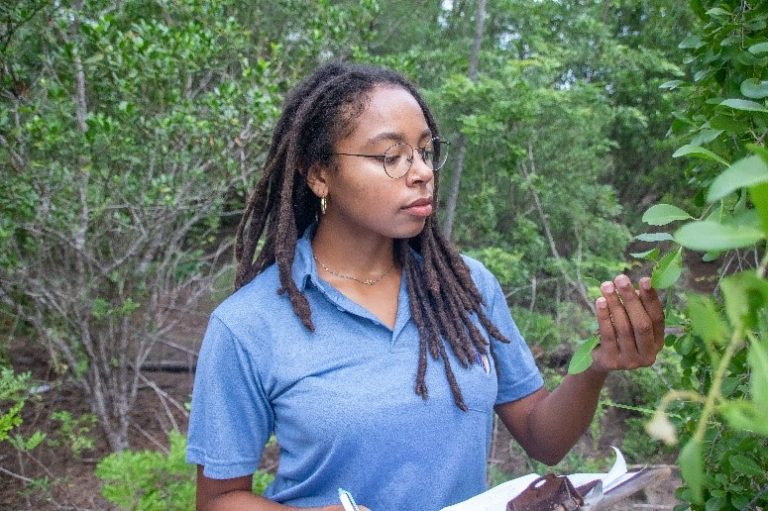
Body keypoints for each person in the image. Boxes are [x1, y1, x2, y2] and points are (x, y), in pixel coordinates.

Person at [186, 61, 665, 511]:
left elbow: (545, 439)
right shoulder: (248, 324)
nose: (421, 173)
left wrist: (597, 364)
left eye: (426, 152)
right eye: (392, 156)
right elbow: (218, 499)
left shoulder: (466, 288)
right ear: (318, 174)